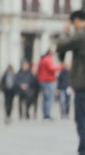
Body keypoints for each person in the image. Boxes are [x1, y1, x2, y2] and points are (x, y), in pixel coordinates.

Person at [56, 10, 85, 154]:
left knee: (82, 120)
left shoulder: (80, 35)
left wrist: (65, 32)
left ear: (77, 20)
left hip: (82, 85)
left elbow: (61, 46)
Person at [38, 47, 59, 119]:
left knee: (45, 98)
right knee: (49, 98)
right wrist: (60, 67)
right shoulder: (48, 59)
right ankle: (47, 114)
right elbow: (52, 69)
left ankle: (45, 113)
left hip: (42, 80)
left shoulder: (42, 59)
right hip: (47, 80)